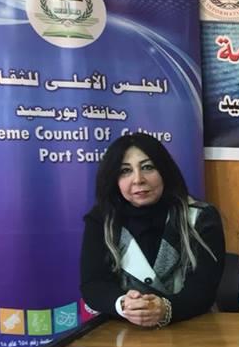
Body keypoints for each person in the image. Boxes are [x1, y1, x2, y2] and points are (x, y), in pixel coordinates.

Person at [80, 132, 225, 328]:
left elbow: (204, 289)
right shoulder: (102, 220)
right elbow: (93, 285)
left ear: (164, 171)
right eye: (125, 171)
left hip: (190, 330)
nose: (138, 179)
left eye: (148, 167)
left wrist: (166, 309)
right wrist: (124, 304)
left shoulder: (200, 217)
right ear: (114, 179)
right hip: (125, 332)